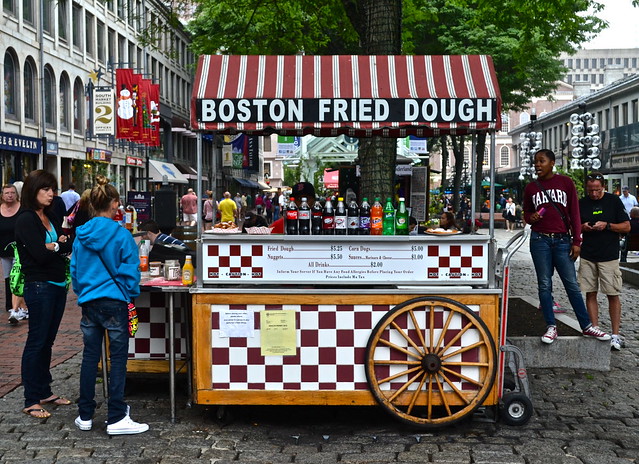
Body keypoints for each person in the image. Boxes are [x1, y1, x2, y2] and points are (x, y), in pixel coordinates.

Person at [71, 174, 148, 435]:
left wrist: (83, 292)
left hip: (89, 302)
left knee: (90, 358)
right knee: (117, 360)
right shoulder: (121, 234)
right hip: (115, 301)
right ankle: (116, 416)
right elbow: (131, 270)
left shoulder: (81, 235)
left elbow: (75, 270)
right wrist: (129, 292)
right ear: (114, 204)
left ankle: (85, 415)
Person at [522, 149, 610, 345]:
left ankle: (586, 326)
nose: (537, 164)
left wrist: (577, 241)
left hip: (562, 240)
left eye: (541, 161)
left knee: (571, 284)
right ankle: (551, 326)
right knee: (544, 284)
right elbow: (526, 213)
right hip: (540, 240)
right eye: (535, 161)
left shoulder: (566, 183)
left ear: (552, 163)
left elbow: (575, 214)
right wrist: (531, 217)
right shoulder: (531, 188)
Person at [15, 170, 73, 418]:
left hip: (58, 284)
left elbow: (68, 243)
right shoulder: (26, 219)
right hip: (39, 285)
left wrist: (56, 245)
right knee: (36, 341)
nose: (51, 194)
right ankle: (31, 399)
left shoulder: (49, 215)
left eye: (52, 189)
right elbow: (38, 255)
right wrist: (56, 247)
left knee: (48, 341)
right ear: (33, 191)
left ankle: (44, 391)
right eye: (45, 189)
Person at [579, 172, 630, 351]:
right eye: (590, 190)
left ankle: (615, 335)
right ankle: (595, 329)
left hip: (609, 255)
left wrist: (607, 225)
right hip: (588, 254)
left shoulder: (613, 201)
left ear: (604, 187)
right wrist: (583, 227)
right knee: (590, 293)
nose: (593, 194)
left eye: (597, 190)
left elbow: (626, 226)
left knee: (612, 294)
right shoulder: (582, 203)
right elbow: (573, 226)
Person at [0, 184, 27, 323]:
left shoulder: (22, 209)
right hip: (4, 250)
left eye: (12, 193)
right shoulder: (0, 209)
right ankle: (11, 306)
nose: (9, 195)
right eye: (7, 193)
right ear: (2, 195)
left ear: (16, 194)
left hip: (19, 250)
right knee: (7, 278)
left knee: (17, 278)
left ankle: (18, 308)